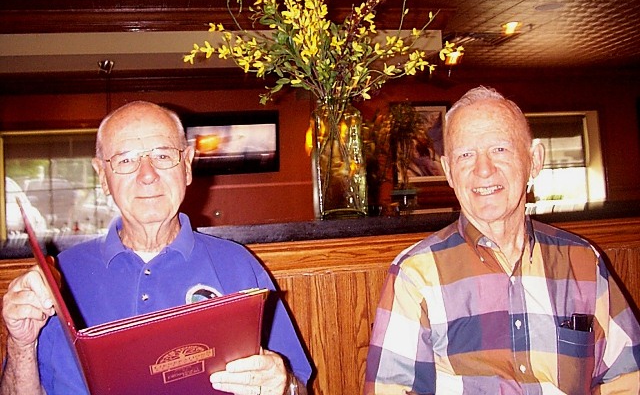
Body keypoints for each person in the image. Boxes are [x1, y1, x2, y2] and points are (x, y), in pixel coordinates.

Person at [1, 101, 312, 395]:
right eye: (126, 160)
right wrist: (21, 344)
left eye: (162, 156)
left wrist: (284, 384)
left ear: (187, 166)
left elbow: (299, 387)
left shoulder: (238, 265)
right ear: (103, 176)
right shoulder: (57, 280)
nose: (147, 175)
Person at [365, 86, 640, 394]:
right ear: (449, 171)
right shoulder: (415, 275)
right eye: (466, 154)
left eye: (499, 149)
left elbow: (628, 378)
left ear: (534, 160)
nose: (483, 169)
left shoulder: (584, 261)